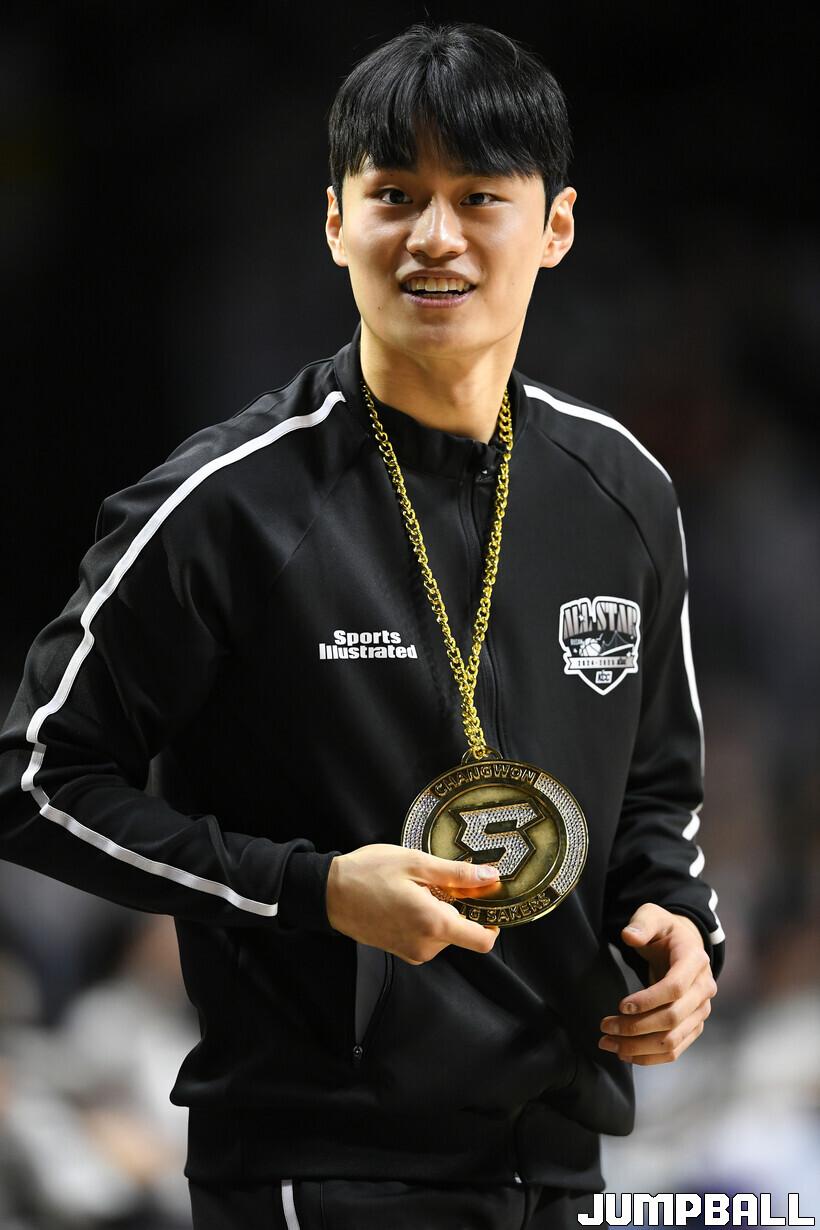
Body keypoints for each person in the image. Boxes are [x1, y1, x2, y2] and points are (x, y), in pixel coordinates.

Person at [0, 21, 725, 1230]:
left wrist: (681, 925)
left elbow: (656, 795)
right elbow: (30, 778)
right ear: (336, 223)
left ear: (554, 227)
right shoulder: (224, 505)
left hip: (562, 1163)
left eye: (479, 196)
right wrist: (315, 890)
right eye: (394, 195)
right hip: (315, 1164)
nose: (434, 235)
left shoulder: (623, 491)